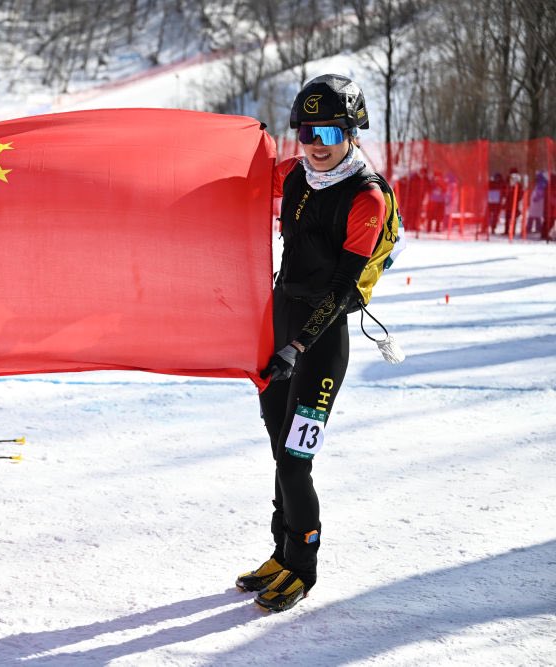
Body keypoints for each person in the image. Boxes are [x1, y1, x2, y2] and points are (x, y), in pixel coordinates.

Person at [235, 74, 387, 612]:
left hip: (318, 345)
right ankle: (280, 551)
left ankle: (304, 564)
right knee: (278, 447)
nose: (316, 145)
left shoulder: (367, 198)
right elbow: (241, 180)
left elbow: (344, 289)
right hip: (276, 328)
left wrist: (295, 347)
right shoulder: (295, 176)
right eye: (306, 132)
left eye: (328, 132)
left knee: (296, 458)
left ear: (350, 132)